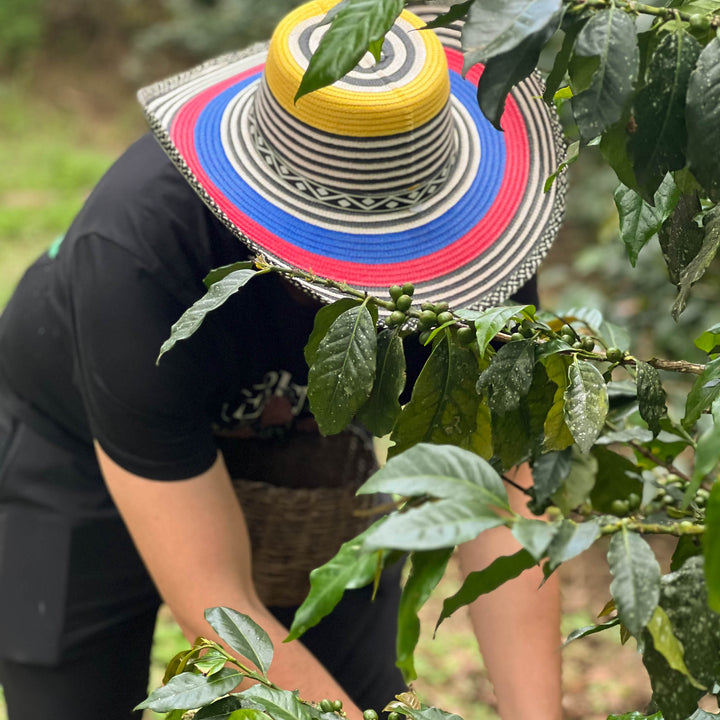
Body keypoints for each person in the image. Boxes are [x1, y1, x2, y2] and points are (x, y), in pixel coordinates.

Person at [0, 1, 566, 718]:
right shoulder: (135, 255)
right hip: (69, 450)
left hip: (295, 443)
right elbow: (215, 600)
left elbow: (495, 496)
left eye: (403, 254)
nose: (381, 287)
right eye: (352, 262)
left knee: (366, 692)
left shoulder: (482, 242)